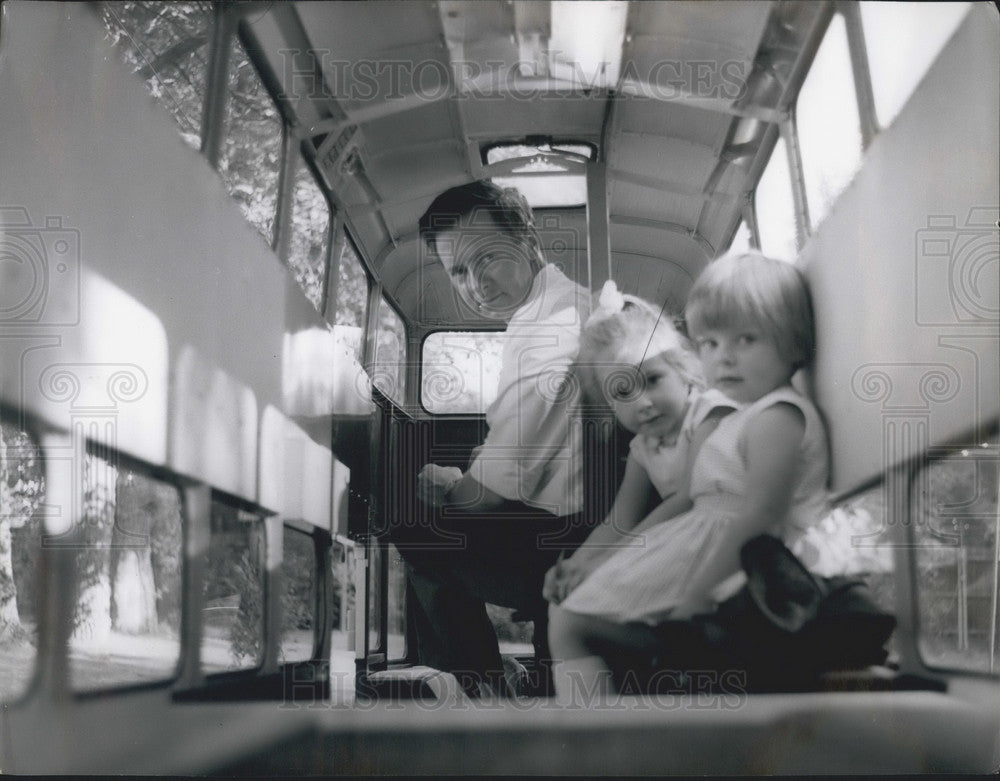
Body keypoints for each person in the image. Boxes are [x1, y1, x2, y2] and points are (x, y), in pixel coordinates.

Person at [547, 251, 831, 703]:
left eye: (746, 340)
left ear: (795, 342)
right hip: (720, 557)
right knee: (571, 618)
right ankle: (599, 731)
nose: (724, 359)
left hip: (755, 579)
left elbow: (759, 516)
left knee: (573, 623)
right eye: (711, 344)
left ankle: (592, 741)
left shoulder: (773, 417)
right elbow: (623, 518)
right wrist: (582, 561)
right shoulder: (748, 416)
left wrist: (698, 597)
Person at [388, 181, 592, 697]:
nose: (475, 283)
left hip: (574, 535)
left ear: (526, 238)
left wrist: (448, 485)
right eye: (459, 270)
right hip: (576, 520)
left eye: (487, 258)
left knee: (417, 530)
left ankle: (477, 686)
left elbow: (485, 498)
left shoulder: (555, 333)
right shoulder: (546, 313)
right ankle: (493, 676)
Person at [542, 281, 735, 605]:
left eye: (653, 380)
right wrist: (575, 564)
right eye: (622, 392)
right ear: (608, 404)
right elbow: (619, 520)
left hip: (731, 541)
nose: (642, 403)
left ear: (683, 371)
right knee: (576, 601)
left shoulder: (709, 415)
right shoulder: (644, 448)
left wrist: (604, 562)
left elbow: (686, 499)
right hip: (691, 545)